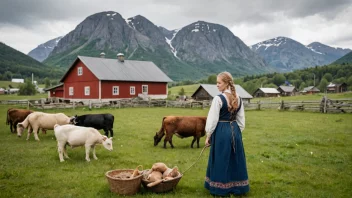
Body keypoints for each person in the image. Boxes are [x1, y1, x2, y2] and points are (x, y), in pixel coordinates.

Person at [204, 71, 249, 196]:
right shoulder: (238, 98)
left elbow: (212, 119)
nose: (217, 85)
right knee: (235, 158)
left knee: (221, 158)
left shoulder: (219, 99)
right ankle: (237, 186)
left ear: (226, 83)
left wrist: (209, 135)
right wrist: (236, 132)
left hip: (221, 131)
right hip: (235, 130)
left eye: (219, 83)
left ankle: (220, 188)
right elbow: (241, 121)